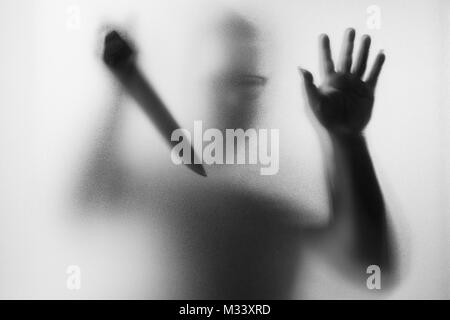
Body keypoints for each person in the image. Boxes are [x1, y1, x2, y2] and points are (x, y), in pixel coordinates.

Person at [82, 12, 396, 298]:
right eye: (222, 81)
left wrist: (348, 140)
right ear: (193, 82)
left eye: (249, 83)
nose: (235, 99)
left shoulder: (288, 191)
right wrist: (122, 90)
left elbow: (371, 269)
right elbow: (86, 202)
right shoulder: (159, 184)